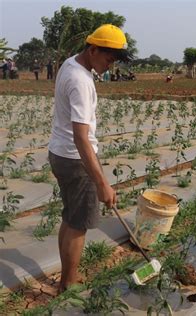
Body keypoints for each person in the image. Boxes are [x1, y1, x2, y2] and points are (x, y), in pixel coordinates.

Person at [48, 24, 133, 293]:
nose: (109, 66)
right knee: (80, 223)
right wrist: (101, 183)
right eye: (108, 59)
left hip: (59, 153)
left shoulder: (70, 64)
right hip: (75, 159)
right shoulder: (81, 81)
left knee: (71, 217)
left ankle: (66, 277)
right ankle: (69, 284)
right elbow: (81, 138)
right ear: (93, 49)